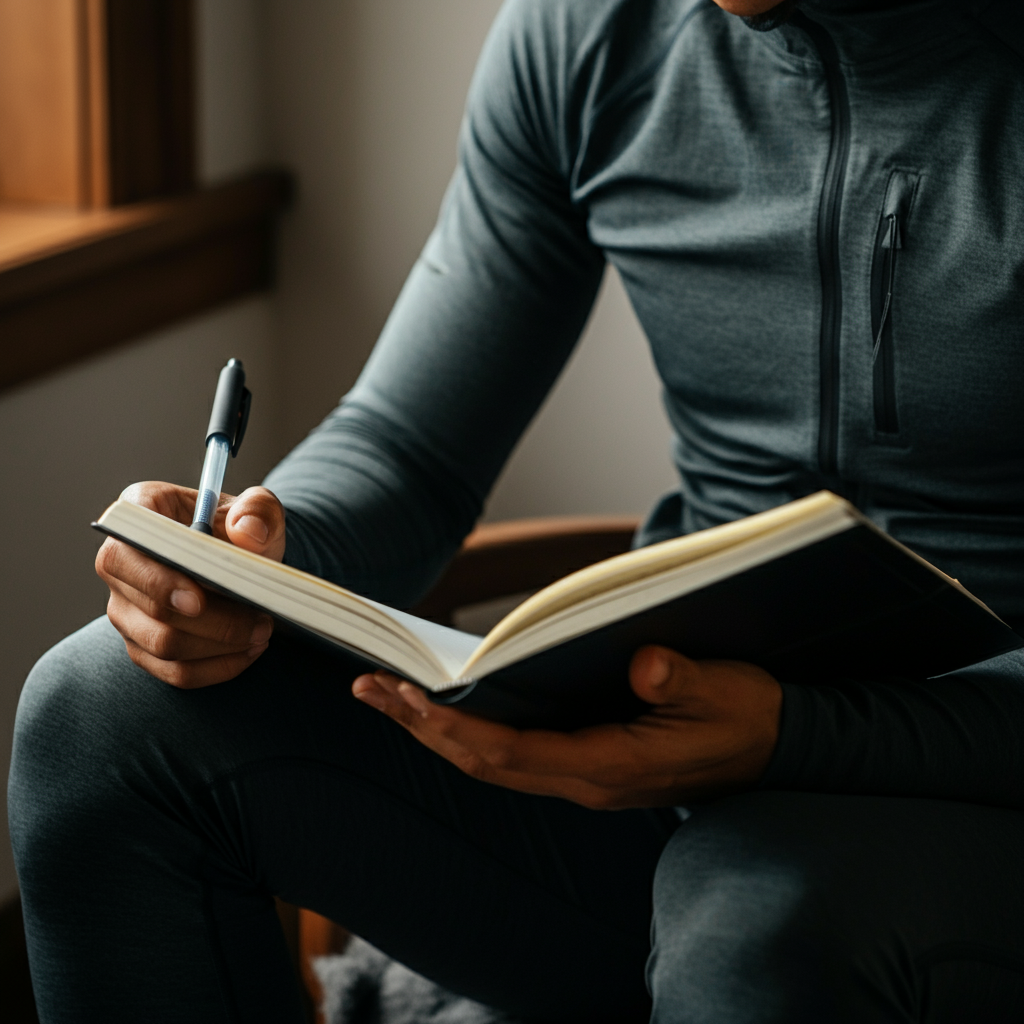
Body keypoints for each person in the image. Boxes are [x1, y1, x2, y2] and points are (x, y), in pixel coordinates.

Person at [9, 0, 1023, 1020]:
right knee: (98, 717)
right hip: (660, 751)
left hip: (976, 782)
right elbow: (411, 448)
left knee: (749, 927)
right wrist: (255, 560)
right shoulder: (591, 34)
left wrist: (800, 734)